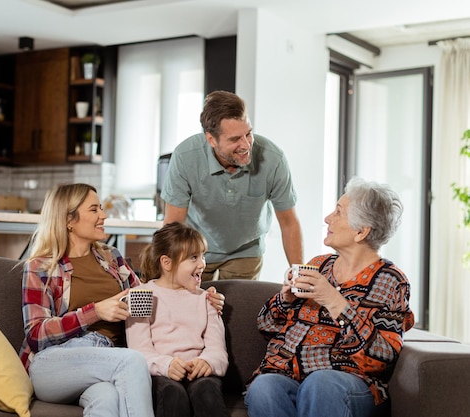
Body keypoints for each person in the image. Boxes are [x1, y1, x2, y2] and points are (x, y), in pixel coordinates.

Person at [19, 183, 224, 417]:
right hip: (56, 364)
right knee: (133, 361)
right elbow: (35, 335)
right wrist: (95, 311)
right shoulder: (41, 267)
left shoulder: (111, 258)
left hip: (107, 360)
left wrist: (203, 297)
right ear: (69, 220)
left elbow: (148, 298)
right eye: (94, 210)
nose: (103, 215)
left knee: (107, 399)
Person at [244, 177, 415, 417]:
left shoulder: (390, 280)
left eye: (338, 212)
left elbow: (382, 357)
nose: (327, 218)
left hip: (346, 383)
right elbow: (266, 325)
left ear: (361, 231)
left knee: (321, 384)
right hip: (288, 376)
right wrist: (286, 299)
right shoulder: (319, 265)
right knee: (264, 387)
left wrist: (335, 301)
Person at [161, 90, 303, 281]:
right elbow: (173, 225)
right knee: (192, 307)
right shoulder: (185, 157)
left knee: (240, 308)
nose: (246, 145)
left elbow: (289, 223)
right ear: (211, 139)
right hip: (196, 248)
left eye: (248, 134)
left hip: (246, 251)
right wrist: (166, 278)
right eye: (235, 139)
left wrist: (299, 277)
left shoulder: (273, 159)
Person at [126, 222, 229, 417]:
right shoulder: (141, 295)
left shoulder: (207, 298)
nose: (202, 264)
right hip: (161, 374)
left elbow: (218, 350)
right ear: (167, 263)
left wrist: (207, 362)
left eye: (202, 256)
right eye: (193, 258)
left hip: (200, 374)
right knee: (172, 393)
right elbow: (139, 352)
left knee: (206, 390)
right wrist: (167, 365)